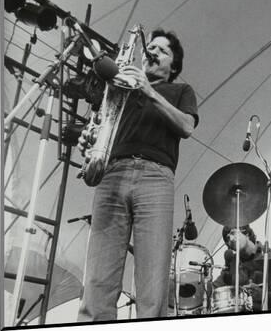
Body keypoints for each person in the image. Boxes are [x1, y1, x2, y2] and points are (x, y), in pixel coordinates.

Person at [77, 29, 199, 321]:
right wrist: (89, 140)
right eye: (151, 47)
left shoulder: (181, 91)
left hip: (155, 178)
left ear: (174, 67)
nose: (153, 51)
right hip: (112, 174)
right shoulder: (119, 88)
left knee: (152, 283)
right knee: (97, 279)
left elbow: (187, 127)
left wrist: (148, 90)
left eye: (162, 50)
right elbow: (103, 123)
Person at [212, 225, 271, 312]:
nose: (230, 239)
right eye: (227, 239)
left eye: (233, 233)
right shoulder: (232, 262)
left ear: (246, 233)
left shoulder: (269, 255)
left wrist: (261, 295)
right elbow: (214, 287)